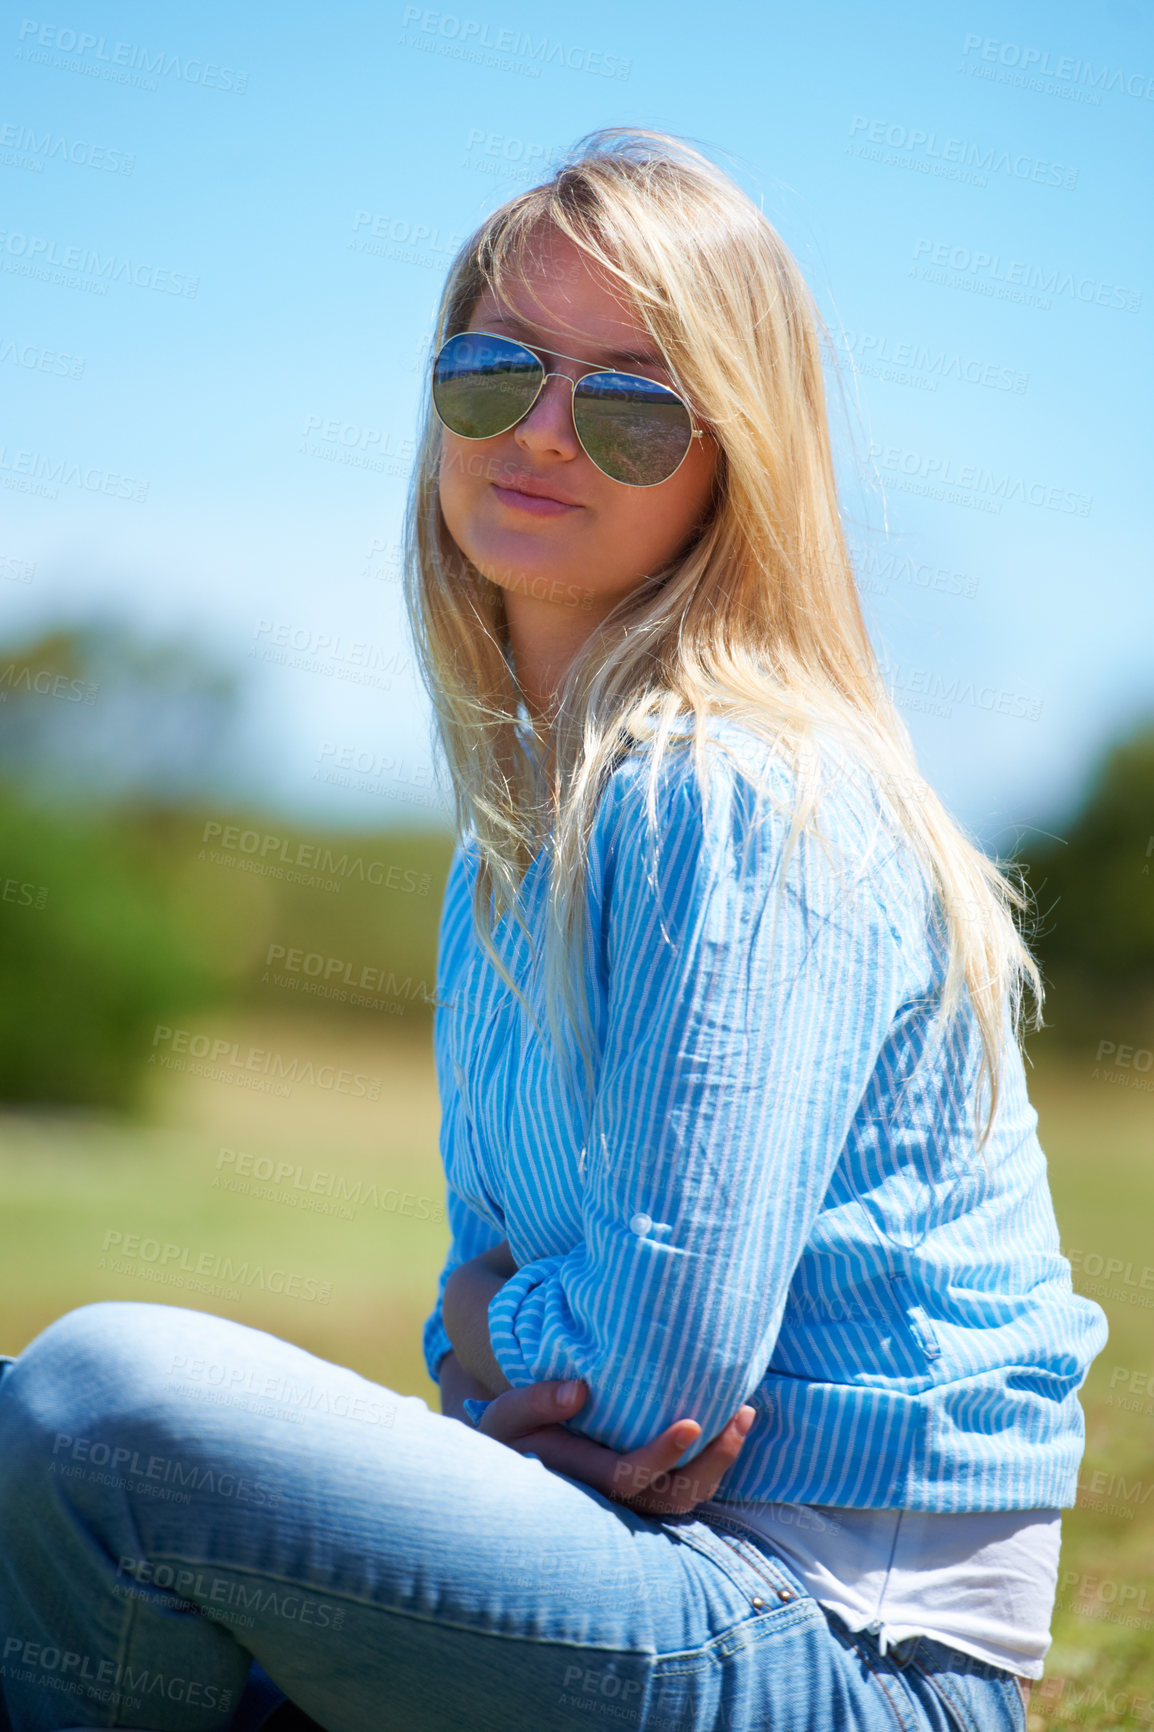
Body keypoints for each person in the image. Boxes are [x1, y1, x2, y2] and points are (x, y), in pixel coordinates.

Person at [0, 128, 1107, 1732]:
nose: (540, 434)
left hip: (840, 1648)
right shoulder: (514, 844)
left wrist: (489, 1327)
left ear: (736, 457)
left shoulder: (737, 791)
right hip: (627, 1580)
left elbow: (638, 1383)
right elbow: (504, 1369)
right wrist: (496, 1340)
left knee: (99, 1409)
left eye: (629, 402)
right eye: (493, 370)